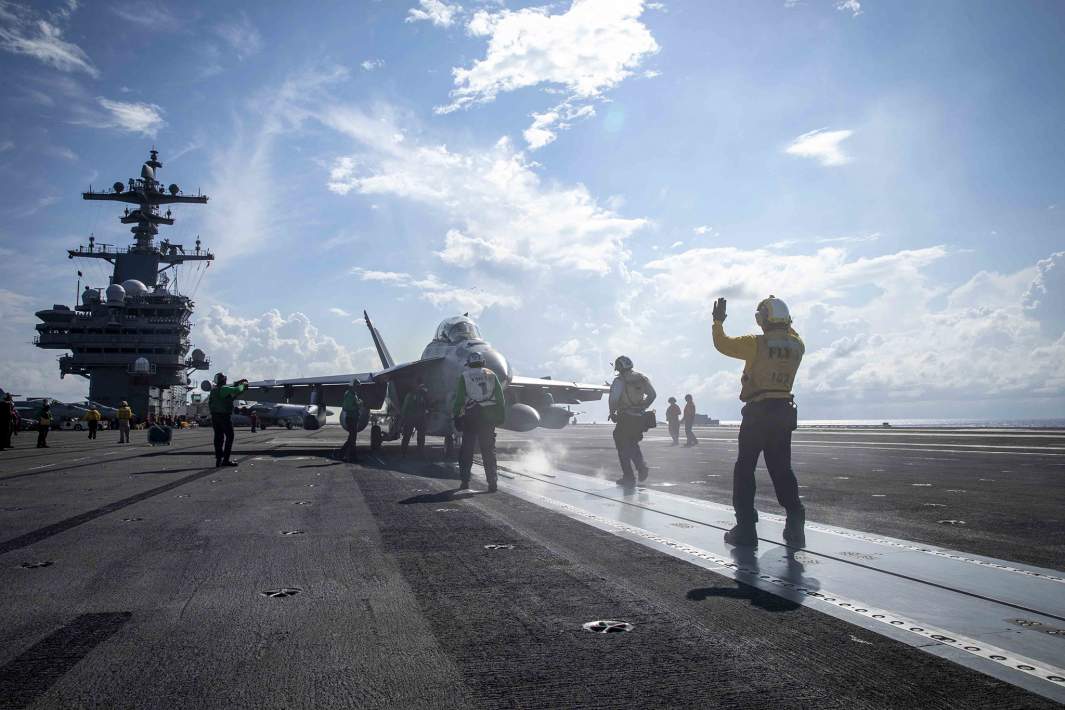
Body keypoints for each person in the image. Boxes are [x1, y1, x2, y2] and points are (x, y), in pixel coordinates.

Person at [712, 295, 806, 549]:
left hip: (758, 413)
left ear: (764, 319)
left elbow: (722, 344)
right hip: (783, 412)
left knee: (745, 469)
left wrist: (717, 322)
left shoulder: (756, 343)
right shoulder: (797, 345)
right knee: (782, 469)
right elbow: (790, 332)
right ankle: (795, 522)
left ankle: (746, 530)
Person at [452, 352, 505, 492]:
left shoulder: (465, 375)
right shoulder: (492, 375)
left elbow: (459, 399)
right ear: (483, 362)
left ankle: (465, 481)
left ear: (469, 363)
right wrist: (500, 417)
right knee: (488, 451)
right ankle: (492, 482)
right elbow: (500, 398)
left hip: (472, 416)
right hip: (488, 418)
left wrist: (456, 415)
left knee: (467, 450)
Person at [608, 356, 655, 487]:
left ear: (619, 367)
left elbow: (613, 399)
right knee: (633, 443)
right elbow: (652, 395)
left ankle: (628, 477)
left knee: (622, 446)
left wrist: (612, 412)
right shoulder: (642, 378)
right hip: (640, 417)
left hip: (625, 417)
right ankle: (641, 467)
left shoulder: (619, 380)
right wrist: (643, 406)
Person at [208, 373, 248, 467]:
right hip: (224, 417)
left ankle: (219, 459)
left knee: (218, 437)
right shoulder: (224, 389)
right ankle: (225, 460)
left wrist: (236, 383)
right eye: (225, 378)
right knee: (230, 437)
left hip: (215, 417)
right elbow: (237, 389)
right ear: (223, 380)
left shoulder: (213, 391)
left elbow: (228, 395)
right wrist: (243, 385)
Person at [400, 383, 430, 456]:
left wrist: (403, 418)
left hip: (412, 418)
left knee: (408, 436)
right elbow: (426, 407)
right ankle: (420, 452)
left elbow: (405, 407)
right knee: (420, 436)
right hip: (418, 418)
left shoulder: (411, 395)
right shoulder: (422, 396)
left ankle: (404, 452)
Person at [337, 379, 362, 463]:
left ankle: (347, 456)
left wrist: (358, 403)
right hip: (351, 419)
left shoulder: (353, 394)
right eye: (357, 386)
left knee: (352, 439)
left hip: (353, 418)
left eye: (358, 386)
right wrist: (358, 405)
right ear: (352, 386)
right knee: (352, 439)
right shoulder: (349, 395)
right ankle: (347, 456)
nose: (358, 388)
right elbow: (347, 407)